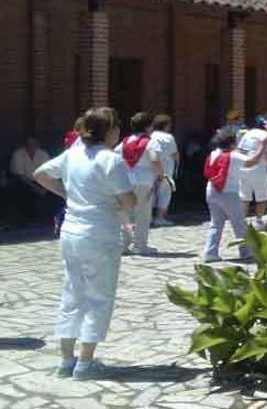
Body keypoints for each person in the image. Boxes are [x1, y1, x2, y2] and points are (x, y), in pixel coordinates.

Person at [33, 107, 136, 380]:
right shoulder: (110, 160)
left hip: (71, 231)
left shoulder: (73, 154)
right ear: (109, 130)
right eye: (116, 127)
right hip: (100, 232)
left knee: (72, 294)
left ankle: (66, 360)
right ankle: (86, 363)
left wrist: (66, 194)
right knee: (98, 298)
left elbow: (40, 174)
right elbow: (129, 201)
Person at [203, 127, 267, 262]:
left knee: (215, 223)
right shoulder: (233, 155)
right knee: (239, 224)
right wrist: (262, 146)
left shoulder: (214, 153)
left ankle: (210, 252)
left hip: (212, 190)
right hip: (229, 193)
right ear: (232, 143)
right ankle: (245, 252)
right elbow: (252, 161)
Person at [116, 112, 163, 256]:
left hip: (125, 181)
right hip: (144, 181)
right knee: (143, 213)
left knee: (125, 214)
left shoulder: (124, 142)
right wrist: (161, 175)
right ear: (149, 127)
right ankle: (140, 246)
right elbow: (154, 159)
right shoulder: (150, 142)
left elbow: (115, 158)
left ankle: (123, 244)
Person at [236, 114, 267, 228]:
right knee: (261, 197)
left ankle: (241, 221)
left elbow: (240, 151)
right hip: (259, 169)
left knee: (244, 197)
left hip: (244, 167)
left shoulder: (247, 134)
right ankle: (259, 220)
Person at [9, 136, 52, 222]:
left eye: (33, 144)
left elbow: (48, 172)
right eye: (29, 144)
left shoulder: (43, 154)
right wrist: (36, 188)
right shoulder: (18, 154)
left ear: (38, 144)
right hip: (24, 182)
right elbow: (20, 176)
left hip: (41, 181)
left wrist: (45, 186)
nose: (31, 146)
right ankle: (25, 218)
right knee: (21, 189)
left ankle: (47, 219)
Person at [150, 114, 178, 227]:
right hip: (166, 168)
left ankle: (149, 216)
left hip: (150, 168)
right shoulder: (168, 137)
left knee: (151, 193)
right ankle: (160, 217)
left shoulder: (150, 136)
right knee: (164, 193)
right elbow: (174, 153)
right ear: (166, 125)